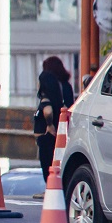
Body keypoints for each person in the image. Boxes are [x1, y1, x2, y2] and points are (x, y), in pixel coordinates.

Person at [34, 55, 74, 184]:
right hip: (64, 130)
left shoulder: (48, 83)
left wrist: (49, 124)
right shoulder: (67, 86)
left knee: (48, 161)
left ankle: (50, 188)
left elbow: (47, 109)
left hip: (49, 133)